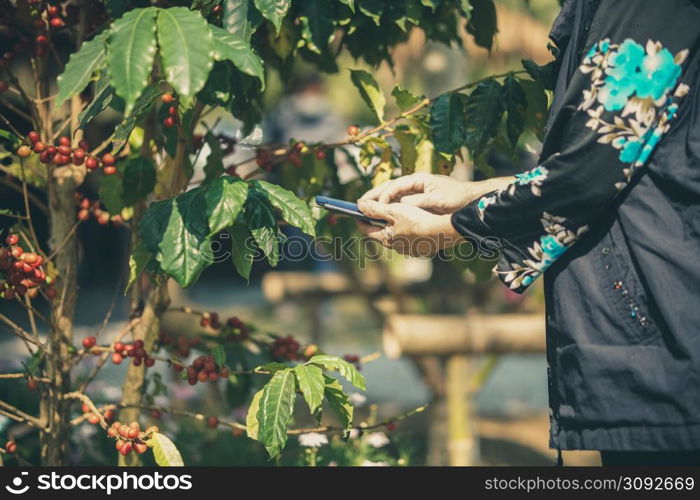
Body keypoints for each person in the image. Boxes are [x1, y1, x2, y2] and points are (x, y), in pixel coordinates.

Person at [358, 0, 700, 466]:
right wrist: (466, 194)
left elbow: (590, 168)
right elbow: (626, 166)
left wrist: (454, 229)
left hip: (667, 348)